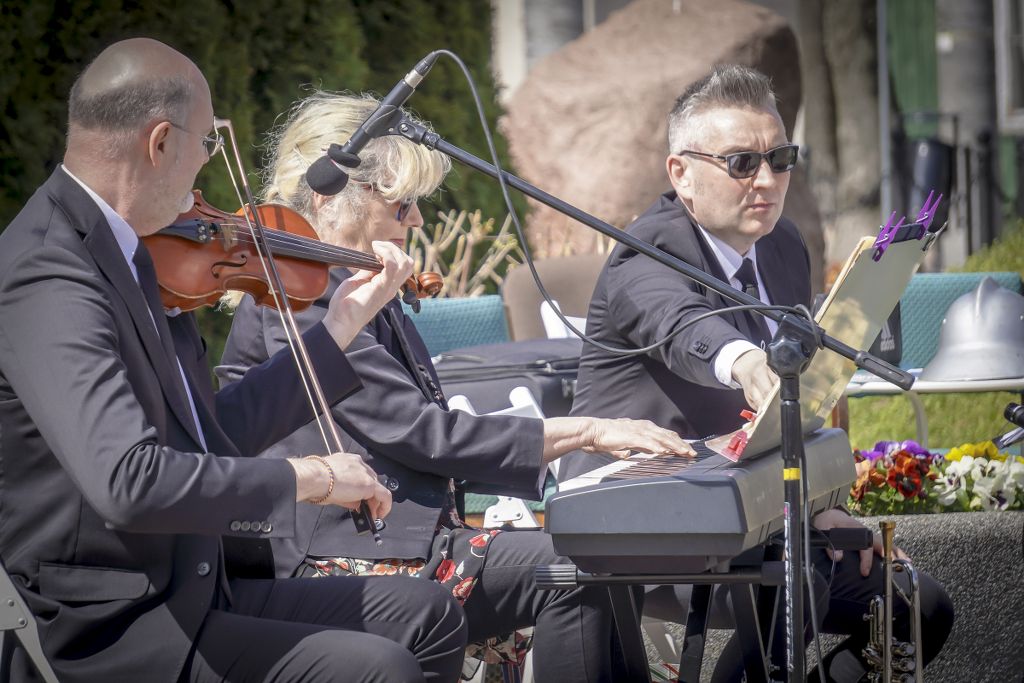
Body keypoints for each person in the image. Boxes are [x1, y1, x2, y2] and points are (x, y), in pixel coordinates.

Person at [0, 38, 469, 683]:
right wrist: (306, 477)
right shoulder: (49, 274)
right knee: (376, 667)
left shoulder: (133, 252)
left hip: (193, 587)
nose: (206, 165)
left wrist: (340, 324)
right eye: (205, 144)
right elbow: (128, 484)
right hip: (114, 625)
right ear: (160, 143)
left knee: (427, 614)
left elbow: (209, 435)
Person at [216, 91, 694, 682]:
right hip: (335, 556)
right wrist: (588, 432)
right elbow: (421, 432)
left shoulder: (354, 288)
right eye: (403, 204)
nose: (417, 220)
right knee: (574, 570)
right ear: (330, 195)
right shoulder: (300, 301)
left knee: (592, 558)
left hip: (401, 536)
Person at [558, 65, 954, 682]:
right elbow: (679, 323)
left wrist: (822, 508)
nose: (766, 180)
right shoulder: (646, 249)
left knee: (918, 608)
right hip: (640, 520)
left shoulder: (782, 243)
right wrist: (744, 361)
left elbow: (794, 410)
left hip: (758, 512)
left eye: (780, 158)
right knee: (797, 571)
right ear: (681, 173)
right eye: (741, 163)